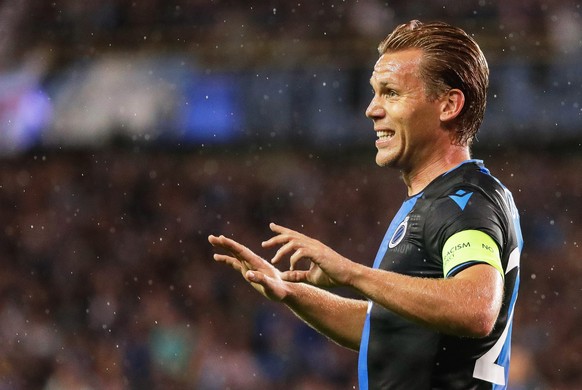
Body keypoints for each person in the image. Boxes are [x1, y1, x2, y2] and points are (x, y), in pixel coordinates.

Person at [209, 20, 522, 389]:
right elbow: (390, 333)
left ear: (449, 105)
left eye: (390, 93)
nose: (372, 109)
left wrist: (350, 273)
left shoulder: (464, 200)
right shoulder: (438, 199)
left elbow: (475, 307)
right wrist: (291, 293)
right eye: (375, 93)